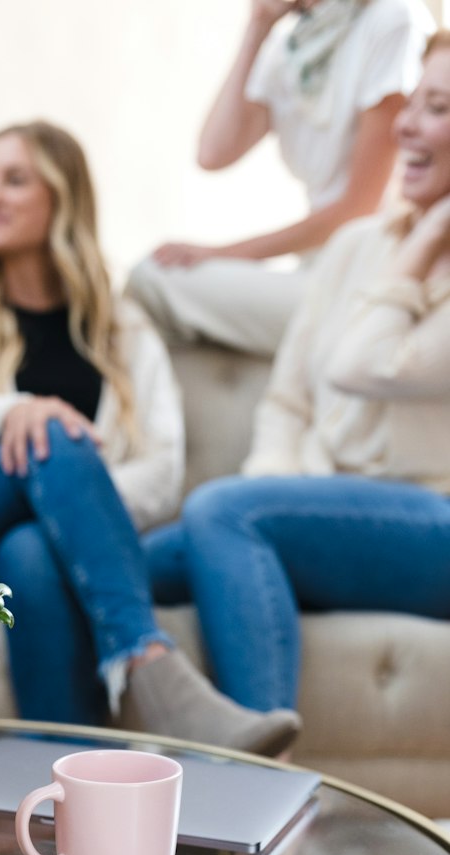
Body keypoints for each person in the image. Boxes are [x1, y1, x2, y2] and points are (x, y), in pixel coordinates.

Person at [0, 119, 300, 754]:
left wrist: (72, 490)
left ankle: (62, 778)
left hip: (38, 548)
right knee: (51, 431)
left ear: (62, 196)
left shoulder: (126, 330)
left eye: (14, 180)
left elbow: (163, 467)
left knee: (32, 550)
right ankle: (146, 664)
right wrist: (21, 414)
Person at [144, 31, 450, 715]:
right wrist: (276, 492)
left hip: (435, 529)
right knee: (80, 567)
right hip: (320, 515)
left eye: (436, 106)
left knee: (223, 509)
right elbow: (287, 400)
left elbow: (363, 363)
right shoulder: (354, 246)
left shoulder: (411, 250)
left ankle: (264, 786)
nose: (403, 122)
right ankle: (70, 780)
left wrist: (428, 238)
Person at [128, 0, 434, 358]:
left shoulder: (392, 21)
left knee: (152, 280)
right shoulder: (293, 48)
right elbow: (213, 152)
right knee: (151, 299)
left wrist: (223, 255)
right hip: (314, 269)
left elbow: (358, 210)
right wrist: (257, 26)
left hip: (366, 271)